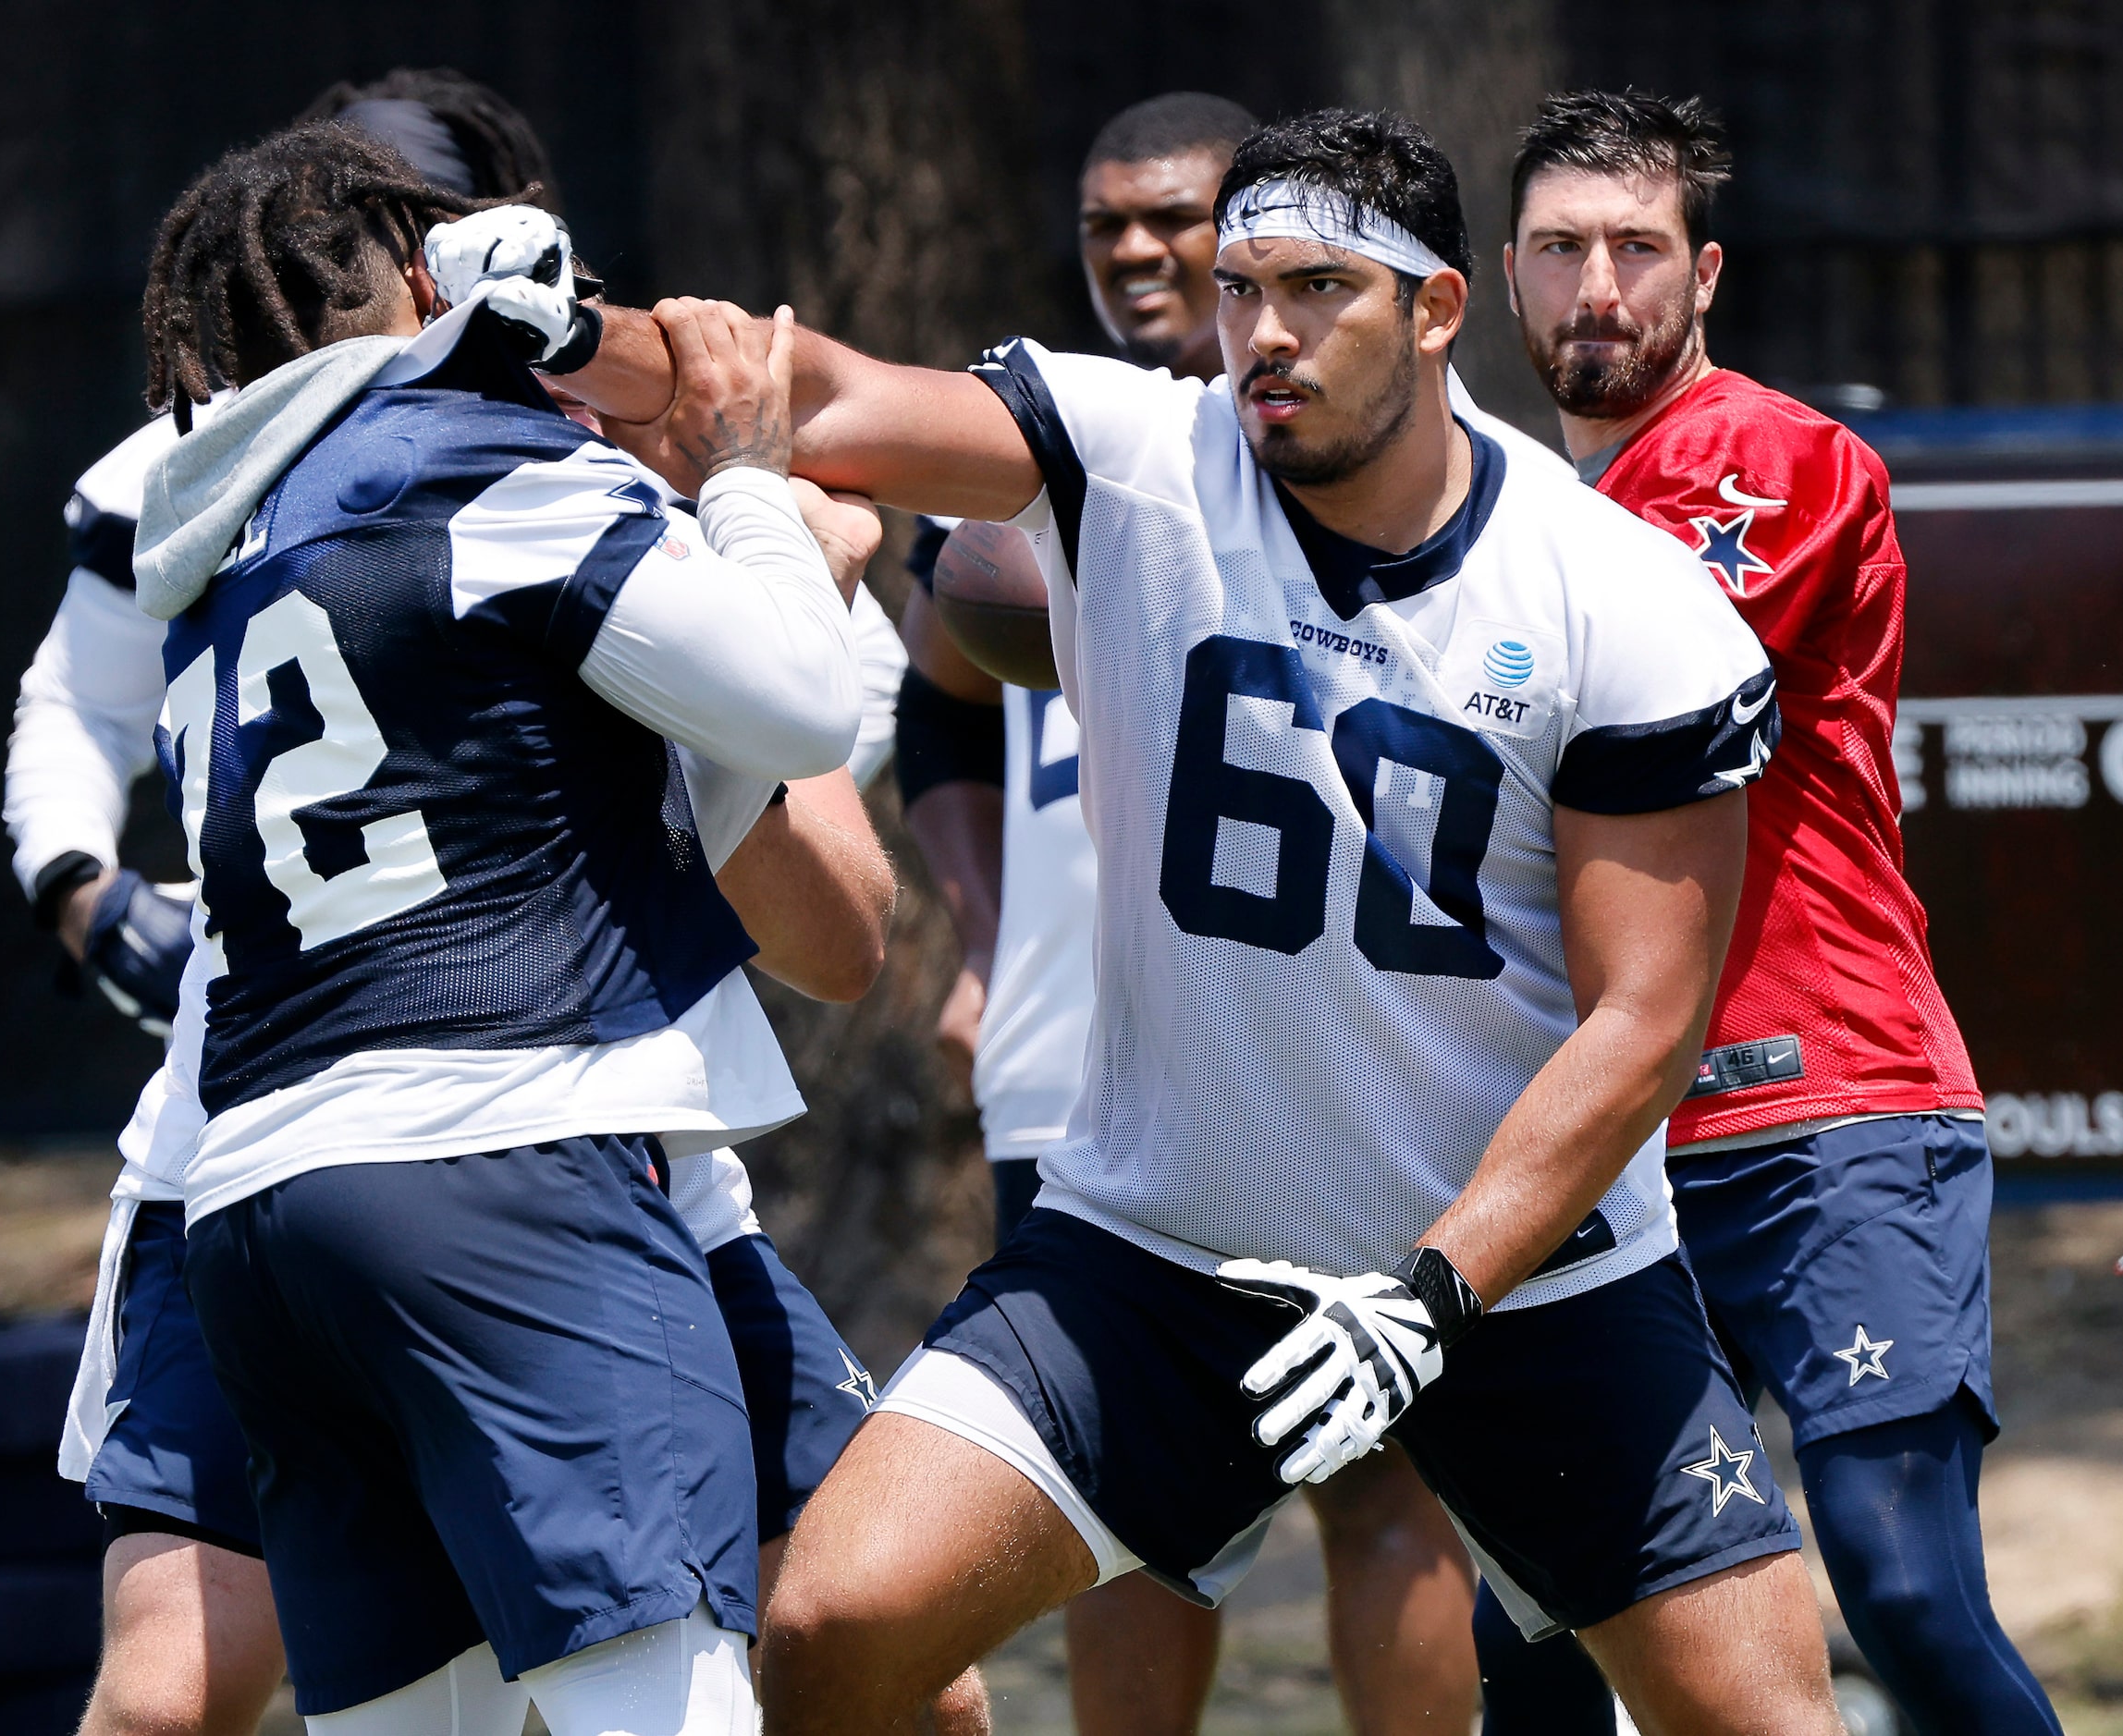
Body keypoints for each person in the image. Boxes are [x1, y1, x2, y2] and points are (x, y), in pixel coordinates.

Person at [546, 105, 1844, 1733]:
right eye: (1240, 288)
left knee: (1766, 1720)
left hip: (1527, 1283)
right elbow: (817, 393)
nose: (1263, 334)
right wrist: (552, 332)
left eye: (1317, 287)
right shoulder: (1140, 454)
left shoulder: (1620, 596)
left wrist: (1433, 1291)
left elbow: (1641, 1021)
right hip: (1160, 1248)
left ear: (1437, 307)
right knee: (835, 1620)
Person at [15, 77, 924, 1736]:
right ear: (434, 284)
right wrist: (743, 484)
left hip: (267, 1221)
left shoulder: (212, 561)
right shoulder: (493, 471)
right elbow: (792, 709)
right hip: (507, 1150)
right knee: (671, 1710)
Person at [896, 91, 1478, 1736]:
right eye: (1108, 227)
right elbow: (936, 703)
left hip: (1325, 1041)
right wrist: (985, 934)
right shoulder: (1041, 445)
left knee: (1375, 1483)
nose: (1144, 252)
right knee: (1121, 1510)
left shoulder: (1363, 441)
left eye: (1183, 224)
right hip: (1080, 1052)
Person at [1484, 88, 2063, 1736]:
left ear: (1704, 274)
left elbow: (1595, 679)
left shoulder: (1767, 454)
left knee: (1896, 1582)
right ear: (1501, 282)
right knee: (1537, 1633)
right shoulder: (1517, 511)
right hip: (1598, 1141)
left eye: (1637, 248)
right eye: (1558, 249)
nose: (1600, 285)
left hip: (1828, 1112)